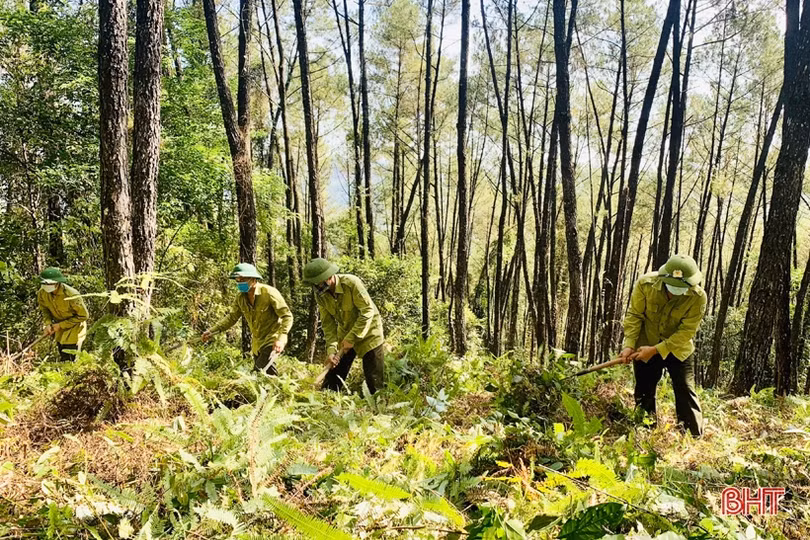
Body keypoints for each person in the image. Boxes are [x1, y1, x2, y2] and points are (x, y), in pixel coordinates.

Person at [620, 254, 706, 437]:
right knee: (644, 388)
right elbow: (635, 316)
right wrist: (629, 345)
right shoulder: (645, 285)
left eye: (681, 287)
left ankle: (692, 435)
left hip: (678, 348)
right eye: (673, 286)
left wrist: (657, 350)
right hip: (645, 344)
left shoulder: (698, 298)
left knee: (685, 388)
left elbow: (686, 331)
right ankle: (645, 430)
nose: (676, 290)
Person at [303, 258, 385, 394]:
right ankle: (325, 403)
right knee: (333, 375)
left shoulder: (352, 283)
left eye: (318, 283)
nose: (316, 287)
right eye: (313, 284)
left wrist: (352, 338)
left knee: (374, 380)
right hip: (345, 333)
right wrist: (331, 351)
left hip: (370, 332)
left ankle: (378, 410)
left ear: (329, 277)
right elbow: (328, 325)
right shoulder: (320, 296)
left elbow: (367, 311)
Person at [201, 263, 293, 375]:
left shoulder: (269, 293)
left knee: (257, 374)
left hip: (271, 340)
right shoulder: (240, 298)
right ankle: (279, 391)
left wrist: (281, 338)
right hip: (257, 344)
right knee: (267, 377)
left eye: (243, 279)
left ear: (253, 279)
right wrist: (212, 331)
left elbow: (287, 316)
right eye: (238, 280)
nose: (240, 283)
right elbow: (231, 318)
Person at [37, 267, 89, 362]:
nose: (46, 285)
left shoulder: (71, 294)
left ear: (57, 283)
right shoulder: (42, 293)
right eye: (44, 283)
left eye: (49, 283)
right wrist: (48, 323)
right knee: (62, 354)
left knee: (71, 358)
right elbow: (44, 309)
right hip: (59, 329)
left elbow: (84, 316)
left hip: (74, 328)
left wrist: (61, 325)